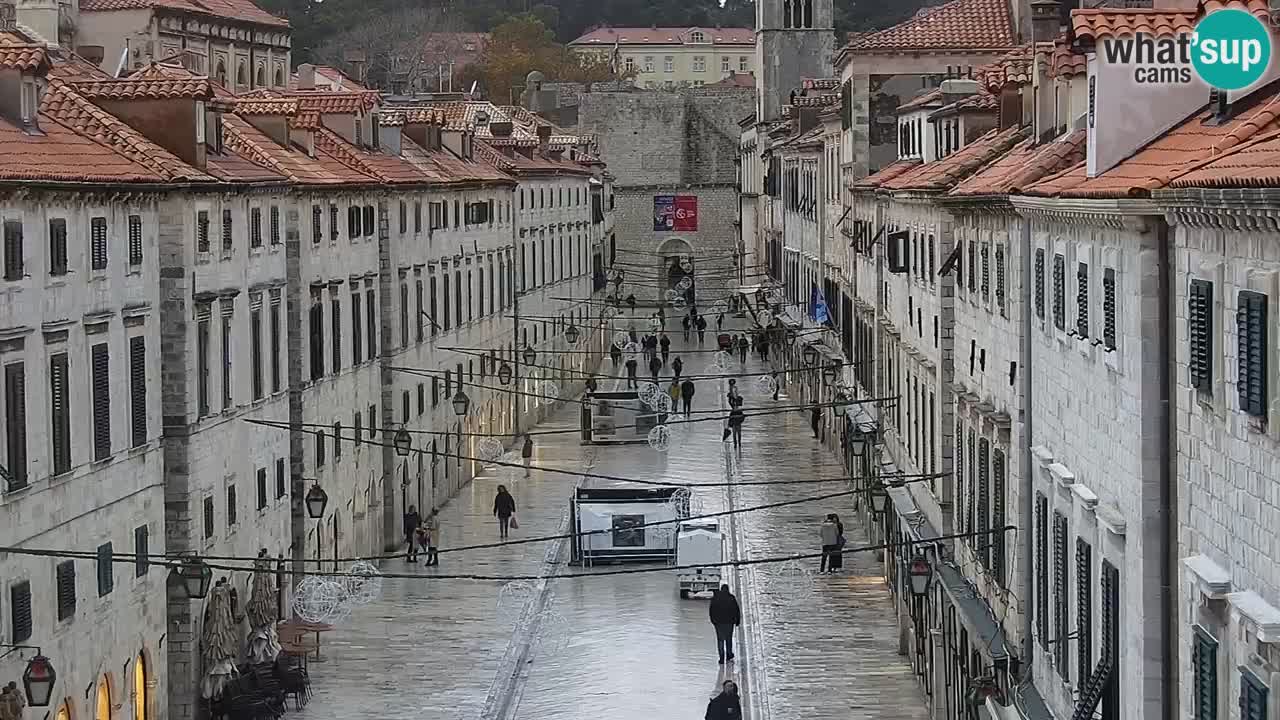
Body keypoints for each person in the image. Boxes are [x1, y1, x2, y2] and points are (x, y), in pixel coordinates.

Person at [708, 584, 741, 664]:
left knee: (720, 639)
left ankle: (721, 657)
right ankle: (729, 655)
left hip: (718, 623)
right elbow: (736, 610)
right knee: (728, 639)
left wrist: (713, 620)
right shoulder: (731, 598)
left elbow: (711, 610)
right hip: (729, 622)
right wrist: (737, 621)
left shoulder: (715, 598)